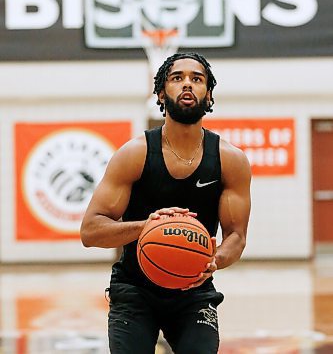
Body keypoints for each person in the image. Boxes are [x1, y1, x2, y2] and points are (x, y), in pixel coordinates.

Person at [80, 52, 251, 354]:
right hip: (135, 289)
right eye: (177, 78)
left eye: (197, 79)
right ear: (161, 93)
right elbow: (91, 231)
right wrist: (148, 227)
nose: (187, 84)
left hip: (194, 290)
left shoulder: (230, 160)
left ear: (208, 94)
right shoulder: (134, 154)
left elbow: (236, 236)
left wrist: (215, 261)